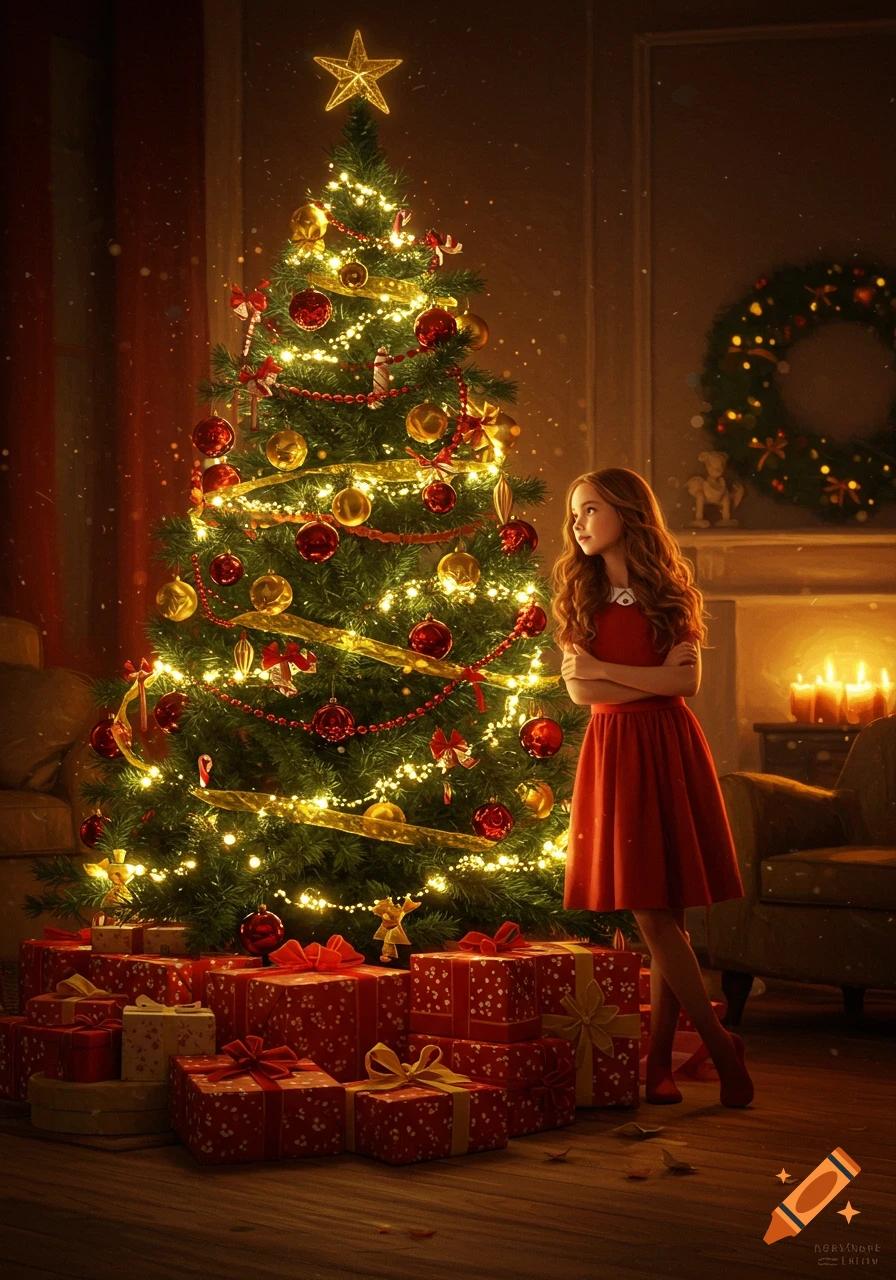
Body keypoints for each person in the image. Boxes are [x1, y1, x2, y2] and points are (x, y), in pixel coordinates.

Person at [551, 467, 754, 1108]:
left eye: (589, 509)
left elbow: (683, 686)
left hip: (670, 745)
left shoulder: (669, 592)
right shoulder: (578, 596)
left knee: (670, 910)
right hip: (615, 751)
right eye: (575, 513)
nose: (578, 523)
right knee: (650, 909)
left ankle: (661, 1062)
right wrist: (644, 677)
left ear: (626, 513)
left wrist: (609, 670)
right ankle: (720, 1048)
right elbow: (581, 692)